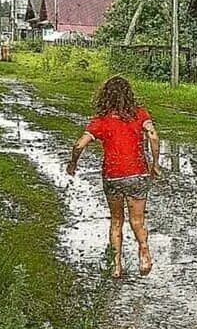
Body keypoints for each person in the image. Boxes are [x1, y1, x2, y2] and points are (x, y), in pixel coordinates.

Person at [67, 75, 159, 278]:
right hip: (137, 174)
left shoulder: (101, 121)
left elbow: (79, 145)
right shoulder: (140, 114)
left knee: (116, 220)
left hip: (113, 176)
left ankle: (116, 266)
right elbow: (153, 135)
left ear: (105, 97)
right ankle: (144, 252)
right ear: (129, 95)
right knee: (138, 221)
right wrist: (155, 163)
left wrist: (73, 163)